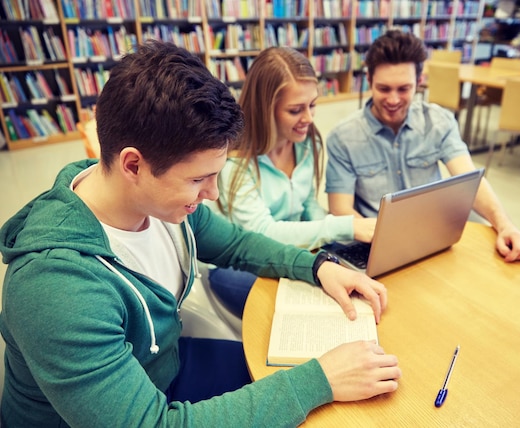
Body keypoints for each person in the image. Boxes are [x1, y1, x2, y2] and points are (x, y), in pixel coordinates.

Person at [0, 41, 400, 427]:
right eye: (198, 179)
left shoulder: (150, 200)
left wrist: (318, 266)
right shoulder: (55, 289)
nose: (210, 194)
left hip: (168, 367)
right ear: (133, 165)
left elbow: (237, 243)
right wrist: (320, 381)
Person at [325, 30, 520, 262]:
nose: (394, 100)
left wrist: (505, 225)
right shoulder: (343, 137)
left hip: (434, 238)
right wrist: (386, 240)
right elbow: (340, 208)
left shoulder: (439, 122)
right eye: (384, 89)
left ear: (419, 82)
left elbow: (471, 181)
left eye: (404, 89)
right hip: (376, 244)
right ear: (369, 81)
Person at [206, 46, 376, 317]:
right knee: (311, 298)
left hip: (295, 249)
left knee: (351, 273)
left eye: (312, 105)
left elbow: (309, 205)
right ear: (265, 110)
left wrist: (327, 248)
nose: (308, 118)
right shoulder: (234, 161)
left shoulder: (305, 142)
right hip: (243, 263)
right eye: (296, 110)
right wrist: (343, 227)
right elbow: (262, 233)